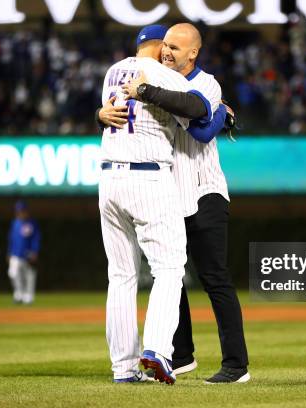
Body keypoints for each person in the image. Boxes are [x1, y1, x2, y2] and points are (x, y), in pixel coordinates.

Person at [100, 23, 249, 383]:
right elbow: (123, 115)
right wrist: (100, 114)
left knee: (214, 278)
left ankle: (235, 365)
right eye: (164, 46)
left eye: (174, 47)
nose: (167, 52)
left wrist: (218, 114)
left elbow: (200, 129)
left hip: (201, 190)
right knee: (171, 278)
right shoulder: (159, 77)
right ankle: (180, 357)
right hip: (163, 191)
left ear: (193, 52)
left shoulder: (205, 82)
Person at [7, 200, 41, 305]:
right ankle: (19, 293)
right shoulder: (15, 223)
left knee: (30, 276)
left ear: (26, 211)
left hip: (28, 253)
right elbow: (11, 238)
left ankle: (28, 296)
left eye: (22, 211)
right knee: (12, 274)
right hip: (16, 254)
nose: (20, 213)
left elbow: (36, 238)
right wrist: (9, 252)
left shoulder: (32, 223)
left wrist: (35, 251)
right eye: (18, 211)